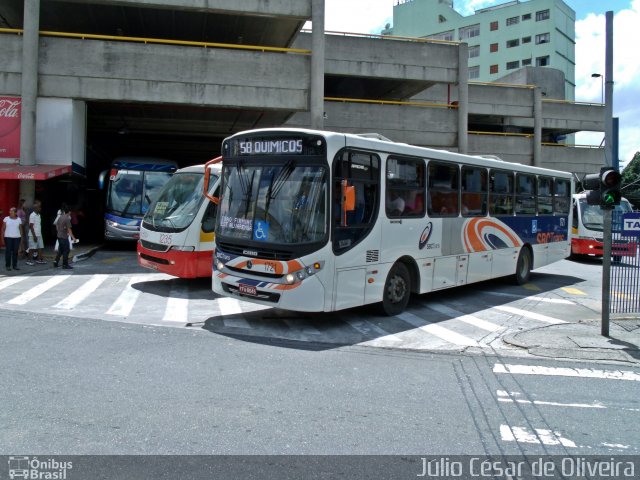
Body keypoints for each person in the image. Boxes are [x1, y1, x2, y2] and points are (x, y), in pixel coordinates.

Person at [53, 205, 77, 270]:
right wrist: (73, 238)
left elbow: (57, 225)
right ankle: (65, 264)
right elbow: (69, 230)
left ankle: (56, 262)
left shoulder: (60, 217)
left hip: (59, 236)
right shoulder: (67, 218)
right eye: (70, 212)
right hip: (64, 237)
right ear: (69, 212)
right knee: (66, 250)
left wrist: (59, 231)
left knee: (60, 250)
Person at [2, 207, 24, 271]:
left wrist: (21, 239)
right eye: (10, 211)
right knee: (8, 252)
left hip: (17, 238)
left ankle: (15, 265)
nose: (10, 212)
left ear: (15, 213)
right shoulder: (6, 219)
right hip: (8, 238)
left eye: (12, 211)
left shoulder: (19, 219)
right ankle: (8, 266)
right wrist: (2, 239)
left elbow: (21, 230)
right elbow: (2, 229)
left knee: (15, 252)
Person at [26, 200, 47, 266]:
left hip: (39, 234)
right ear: (36, 208)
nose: (40, 208)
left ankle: (40, 259)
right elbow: (31, 226)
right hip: (33, 235)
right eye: (39, 207)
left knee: (40, 247)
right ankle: (29, 260)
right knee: (32, 248)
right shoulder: (32, 215)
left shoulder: (39, 215)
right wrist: (34, 235)